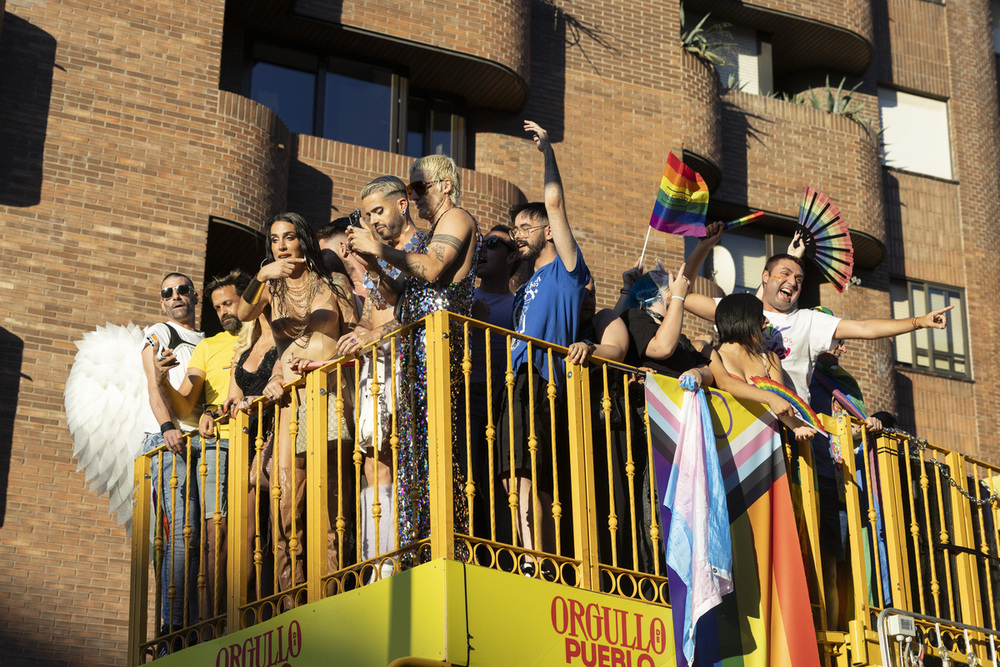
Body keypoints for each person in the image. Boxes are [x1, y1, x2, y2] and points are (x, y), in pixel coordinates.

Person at [346, 159, 480, 561]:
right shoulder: (435, 231)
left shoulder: (456, 217)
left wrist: (380, 248)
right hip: (415, 352)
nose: (416, 196)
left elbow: (434, 267)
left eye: (420, 188)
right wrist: (372, 263)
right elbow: (398, 293)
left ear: (444, 185)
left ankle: (447, 547)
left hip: (440, 350)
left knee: (439, 448)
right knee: (412, 454)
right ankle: (415, 546)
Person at [681, 224, 954, 402]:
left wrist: (919, 322)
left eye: (799, 279)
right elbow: (682, 295)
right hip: (735, 413)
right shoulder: (738, 311)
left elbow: (865, 328)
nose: (793, 282)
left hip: (789, 424)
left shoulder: (810, 321)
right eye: (784, 275)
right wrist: (703, 246)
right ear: (765, 277)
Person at [237, 212, 359, 593]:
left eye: (289, 237)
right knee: (286, 501)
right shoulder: (270, 291)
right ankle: (292, 594)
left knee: (330, 498)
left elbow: (355, 335)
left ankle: (332, 590)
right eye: (274, 240)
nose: (282, 245)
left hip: (329, 392)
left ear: (303, 240)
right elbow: (242, 315)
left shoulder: (333, 282)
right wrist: (261, 276)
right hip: (289, 400)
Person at [499, 120, 591, 565]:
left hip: (543, 380)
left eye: (525, 227)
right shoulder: (522, 288)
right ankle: (527, 553)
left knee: (532, 475)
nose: (518, 235)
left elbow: (554, 201)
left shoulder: (567, 271)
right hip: (514, 382)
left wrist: (548, 152)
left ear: (549, 232)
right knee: (508, 477)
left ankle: (539, 559)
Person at [154, 270, 251, 618]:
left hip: (265, 439)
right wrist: (163, 381)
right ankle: (210, 620)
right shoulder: (209, 347)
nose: (224, 311)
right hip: (219, 449)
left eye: (229, 302)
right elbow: (183, 403)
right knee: (213, 533)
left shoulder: (268, 332)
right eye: (217, 306)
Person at [140, 272, 204, 639]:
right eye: (169, 293)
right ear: (162, 302)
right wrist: (167, 429)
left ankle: (194, 623)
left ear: (195, 296)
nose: (176, 296)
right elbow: (153, 384)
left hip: (200, 441)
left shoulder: (208, 341)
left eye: (182, 290)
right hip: (170, 442)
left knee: (199, 534)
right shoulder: (161, 332)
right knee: (180, 533)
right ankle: (172, 628)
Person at [221, 306, 281, 602]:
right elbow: (230, 397)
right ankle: (239, 610)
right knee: (244, 531)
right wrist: (212, 411)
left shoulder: (287, 335)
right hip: (244, 440)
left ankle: (269, 604)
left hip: (274, 435)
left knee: (275, 525)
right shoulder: (246, 345)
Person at [468, 224, 519, 535]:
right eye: (481, 244)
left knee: (502, 480)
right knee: (469, 475)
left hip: (505, 403)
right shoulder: (465, 298)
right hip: (466, 398)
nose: (483, 250)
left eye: (493, 244)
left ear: (512, 256)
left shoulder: (521, 304)